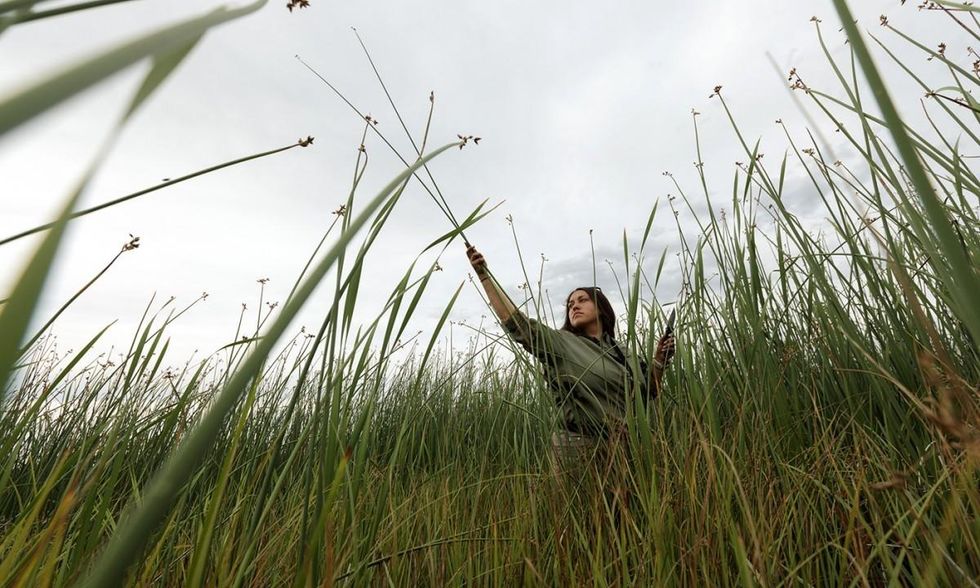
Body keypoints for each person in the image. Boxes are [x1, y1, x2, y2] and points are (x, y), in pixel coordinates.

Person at [465, 244, 675, 471]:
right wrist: (485, 276)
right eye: (570, 304)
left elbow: (648, 392)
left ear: (602, 308)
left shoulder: (622, 350)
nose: (574, 306)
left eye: (582, 300)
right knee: (582, 508)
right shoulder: (562, 344)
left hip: (623, 451)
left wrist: (659, 360)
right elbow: (519, 326)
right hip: (578, 451)